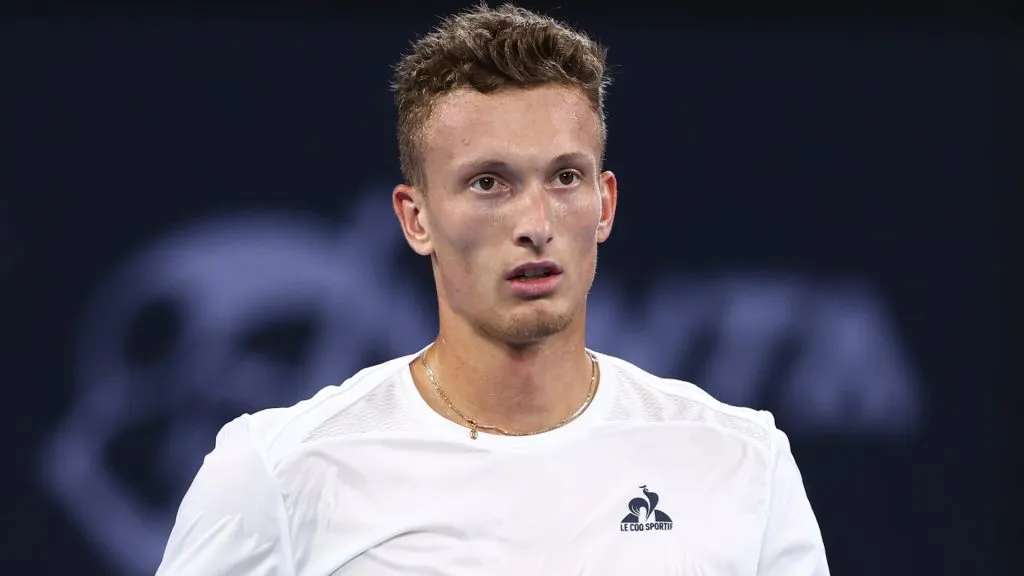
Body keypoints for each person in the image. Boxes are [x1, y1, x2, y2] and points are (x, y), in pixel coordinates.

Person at [156, 3, 830, 574]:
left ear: (605, 203)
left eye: (565, 178)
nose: (534, 224)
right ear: (415, 219)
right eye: (488, 183)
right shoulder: (277, 473)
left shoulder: (741, 463)